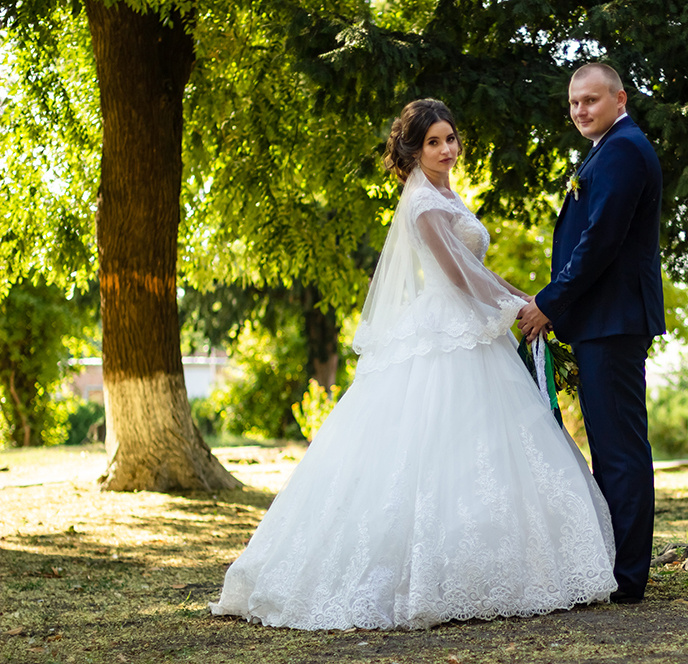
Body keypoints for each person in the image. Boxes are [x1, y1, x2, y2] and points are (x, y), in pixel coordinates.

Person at [210, 99, 617, 631]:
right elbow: (458, 276)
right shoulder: (423, 205)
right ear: (413, 150)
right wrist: (522, 308)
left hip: (471, 326)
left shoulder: (447, 192)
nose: (447, 149)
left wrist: (538, 302)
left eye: (450, 139)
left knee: (489, 451)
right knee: (426, 452)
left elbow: (477, 272)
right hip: (446, 330)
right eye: (433, 142)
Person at [517, 63, 665, 604]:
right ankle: (615, 567)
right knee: (609, 446)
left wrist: (550, 304)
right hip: (604, 320)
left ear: (620, 97)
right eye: (575, 102)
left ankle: (627, 578)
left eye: (591, 100)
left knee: (621, 449)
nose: (581, 110)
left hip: (614, 320)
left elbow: (601, 241)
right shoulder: (609, 147)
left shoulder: (624, 150)